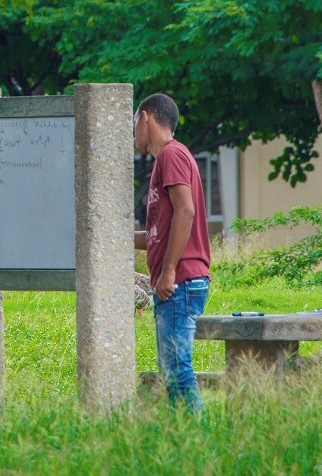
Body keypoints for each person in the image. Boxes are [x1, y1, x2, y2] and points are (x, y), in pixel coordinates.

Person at [132, 93, 211, 413]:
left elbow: (186, 212)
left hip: (180, 281)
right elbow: (158, 234)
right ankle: (184, 438)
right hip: (178, 281)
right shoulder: (166, 159)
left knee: (178, 372)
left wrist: (168, 272)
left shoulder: (171, 155)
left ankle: (198, 439)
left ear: (146, 118)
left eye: (134, 122)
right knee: (172, 370)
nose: (133, 131)